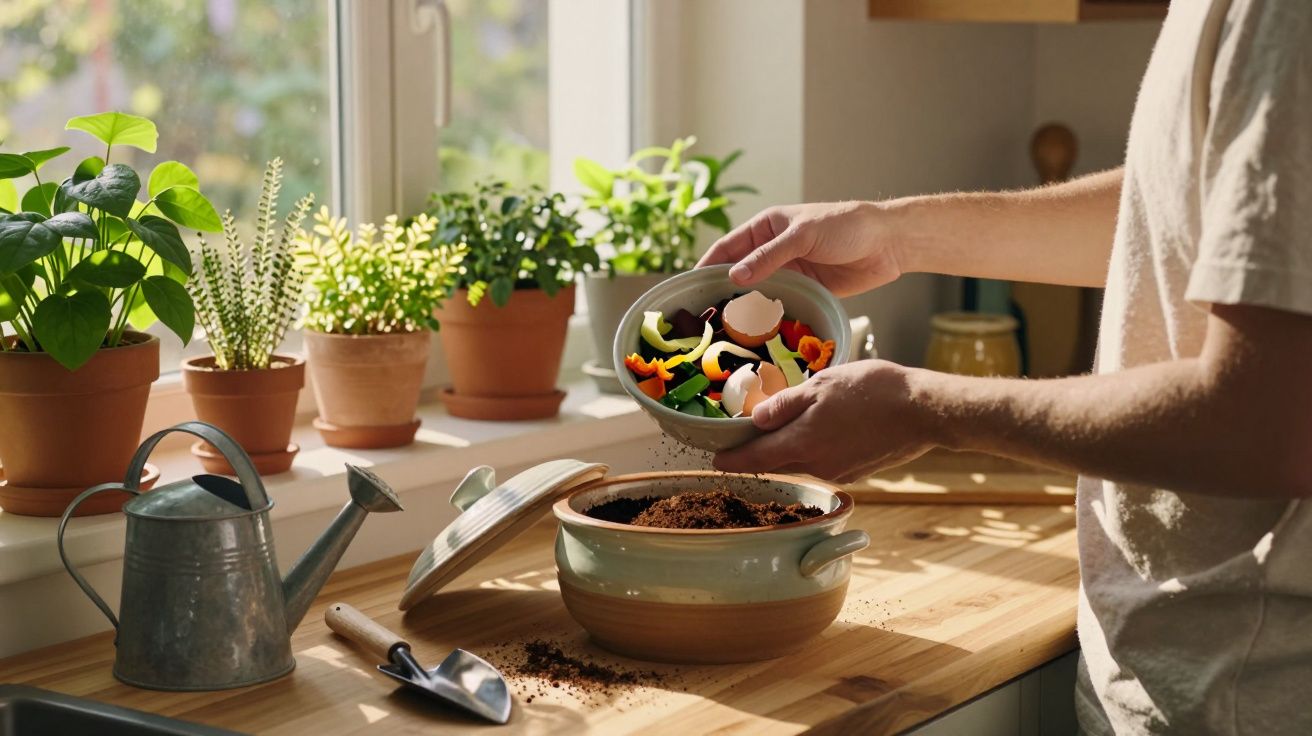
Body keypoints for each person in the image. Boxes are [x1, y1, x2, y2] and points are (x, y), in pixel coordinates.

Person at [699, 1, 1312, 733]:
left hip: (1254, 693)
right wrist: (895, 234)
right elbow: (1186, 208)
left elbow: (1267, 420)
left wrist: (922, 409)